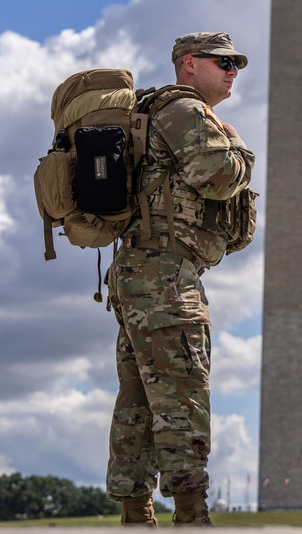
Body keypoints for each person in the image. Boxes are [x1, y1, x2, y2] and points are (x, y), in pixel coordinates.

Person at [106, 32, 256, 526]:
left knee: (140, 400)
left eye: (237, 63)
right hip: (165, 274)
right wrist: (236, 143)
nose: (233, 70)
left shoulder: (157, 112)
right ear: (189, 63)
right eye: (224, 62)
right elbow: (219, 175)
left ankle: (136, 512)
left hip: (141, 270)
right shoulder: (184, 110)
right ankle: (191, 515)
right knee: (182, 391)